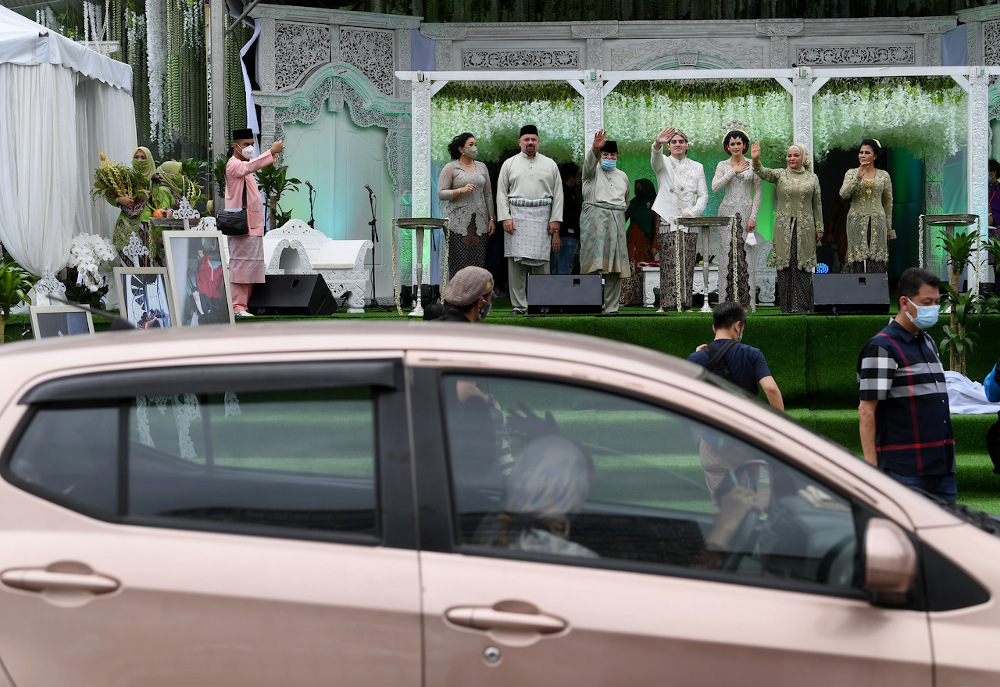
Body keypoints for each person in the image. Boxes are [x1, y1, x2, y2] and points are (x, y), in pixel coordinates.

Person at [858, 267, 956, 502]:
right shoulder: (882, 347)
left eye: (936, 302)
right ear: (904, 302)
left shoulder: (928, 341)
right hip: (903, 470)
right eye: (926, 302)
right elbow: (866, 410)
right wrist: (871, 469)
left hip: (941, 468)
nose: (933, 308)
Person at [688, 301, 785, 505]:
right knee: (751, 503)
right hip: (745, 440)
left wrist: (696, 357)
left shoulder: (696, 358)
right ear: (738, 326)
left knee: (722, 507)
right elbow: (771, 388)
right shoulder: (752, 354)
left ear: (714, 328)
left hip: (713, 442)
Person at [496, 125, 565, 315]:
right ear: (520, 142)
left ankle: (541, 304)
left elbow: (558, 193)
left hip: (542, 216)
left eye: (533, 140)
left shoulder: (550, 164)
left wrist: (555, 219)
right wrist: (505, 217)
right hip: (516, 216)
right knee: (516, 264)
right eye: (526, 140)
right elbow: (501, 192)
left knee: (542, 263)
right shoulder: (509, 164)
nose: (530, 143)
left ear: (538, 142)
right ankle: (519, 306)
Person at [751, 141, 823, 313]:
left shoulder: (812, 178)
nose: (792, 158)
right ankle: (787, 307)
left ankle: (802, 306)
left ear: (803, 158)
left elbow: (817, 204)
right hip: (783, 226)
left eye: (796, 155)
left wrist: (819, 227)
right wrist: (755, 161)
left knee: (802, 265)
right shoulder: (781, 174)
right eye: (789, 155)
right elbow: (763, 173)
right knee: (785, 265)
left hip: (805, 227)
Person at [225, 129, 285, 317]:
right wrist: (271, 152)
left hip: (253, 226)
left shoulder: (243, 164)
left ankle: (246, 306)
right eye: (246, 144)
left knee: (251, 268)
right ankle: (237, 307)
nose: (250, 148)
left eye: (252, 144)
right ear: (236, 146)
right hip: (241, 226)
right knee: (240, 267)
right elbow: (249, 168)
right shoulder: (233, 165)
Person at [650, 127, 708, 312]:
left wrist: (692, 213)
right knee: (667, 261)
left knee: (687, 261)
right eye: (673, 142)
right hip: (667, 216)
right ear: (668, 146)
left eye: (681, 141)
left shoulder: (697, 166)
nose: (677, 144)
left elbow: (704, 196)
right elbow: (655, 159)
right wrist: (657, 144)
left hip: (689, 220)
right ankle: (665, 304)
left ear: (687, 145)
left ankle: (686, 303)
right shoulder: (663, 163)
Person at [580, 130, 631, 314]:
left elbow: (627, 199)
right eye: (605, 154)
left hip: (616, 221)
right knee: (594, 265)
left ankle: (612, 308)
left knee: (614, 269)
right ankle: (590, 304)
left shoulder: (623, 176)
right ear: (600, 156)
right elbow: (588, 163)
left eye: (612, 154)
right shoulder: (591, 172)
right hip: (594, 220)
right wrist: (594, 148)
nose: (609, 157)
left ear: (617, 156)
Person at [712, 130, 761, 309]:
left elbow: (758, 193)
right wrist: (732, 171)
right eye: (732, 144)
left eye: (738, 143)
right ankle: (726, 302)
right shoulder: (723, 165)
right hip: (726, 213)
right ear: (727, 146)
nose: (735, 147)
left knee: (746, 256)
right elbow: (715, 187)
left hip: (746, 212)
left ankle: (746, 303)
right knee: (727, 256)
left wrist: (753, 217)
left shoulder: (753, 164)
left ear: (744, 145)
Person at [438, 133, 495, 278]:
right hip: (457, 223)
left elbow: (488, 194)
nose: (474, 148)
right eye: (471, 145)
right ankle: (457, 298)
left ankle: (475, 299)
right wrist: (460, 190)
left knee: (478, 261)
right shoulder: (450, 167)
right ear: (461, 149)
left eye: (476, 144)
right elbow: (441, 193)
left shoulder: (482, 167)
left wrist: (491, 218)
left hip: (480, 222)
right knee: (458, 261)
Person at [111, 146, 179, 267]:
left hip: (150, 229)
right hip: (127, 227)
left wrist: (170, 212)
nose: (140, 160)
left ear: (149, 160)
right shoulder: (126, 178)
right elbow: (109, 193)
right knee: (128, 267)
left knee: (148, 266)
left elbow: (168, 205)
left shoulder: (156, 181)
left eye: (143, 157)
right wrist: (119, 199)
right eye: (136, 157)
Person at [839, 139, 894, 274]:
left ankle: (875, 293)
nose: (862, 155)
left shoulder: (883, 175)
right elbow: (843, 194)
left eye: (867, 152)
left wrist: (888, 227)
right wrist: (858, 177)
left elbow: (888, 202)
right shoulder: (851, 173)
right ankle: (858, 293)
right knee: (858, 260)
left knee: (877, 260)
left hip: (878, 222)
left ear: (875, 156)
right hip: (856, 221)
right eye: (861, 152)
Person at [620, 178, 658, 306]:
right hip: (630, 241)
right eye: (636, 187)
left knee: (642, 270)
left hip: (645, 244)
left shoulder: (655, 203)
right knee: (628, 269)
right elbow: (622, 221)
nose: (637, 190)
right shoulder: (633, 203)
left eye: (640, 187)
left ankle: (641, 299)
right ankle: (626, 298)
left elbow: (656, 225)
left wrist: (655, 245)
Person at [553, 162, 582, 275]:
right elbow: (557, 214)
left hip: (569, 237)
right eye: (578, 175)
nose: (580, 178)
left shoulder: (571, 192)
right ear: (571, 177)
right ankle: (562, 292)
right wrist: (556, 235)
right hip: (565, 236)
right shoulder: (563, 192)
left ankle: (555, 292)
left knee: (559, 268)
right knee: (564, 269)